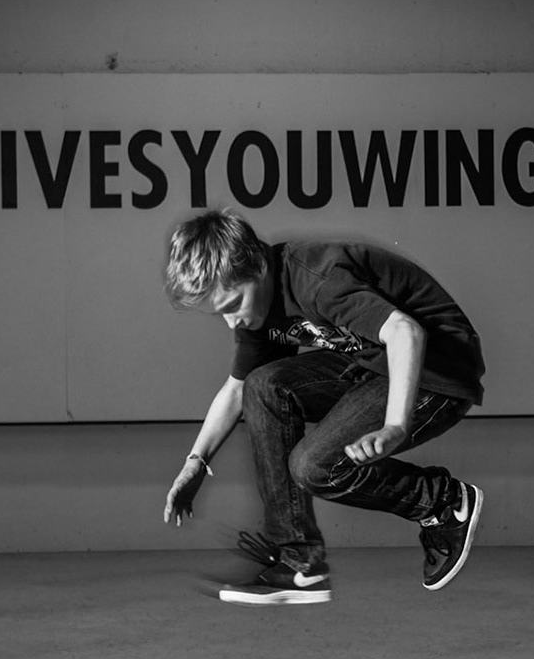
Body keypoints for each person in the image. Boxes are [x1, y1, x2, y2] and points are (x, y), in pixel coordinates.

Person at [161, 210, 485, 604]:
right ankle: (299, 565)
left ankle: (443, 501)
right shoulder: (259, 310)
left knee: (314, 467)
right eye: (220, 314)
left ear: (258, 266)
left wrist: (395, 425)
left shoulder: (317, 280)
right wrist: (196, 462)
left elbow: (406, 332)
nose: (232, 323)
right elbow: (237, 389)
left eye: (233, 305)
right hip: (373, 363)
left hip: (438, 370)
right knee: (263, 385)